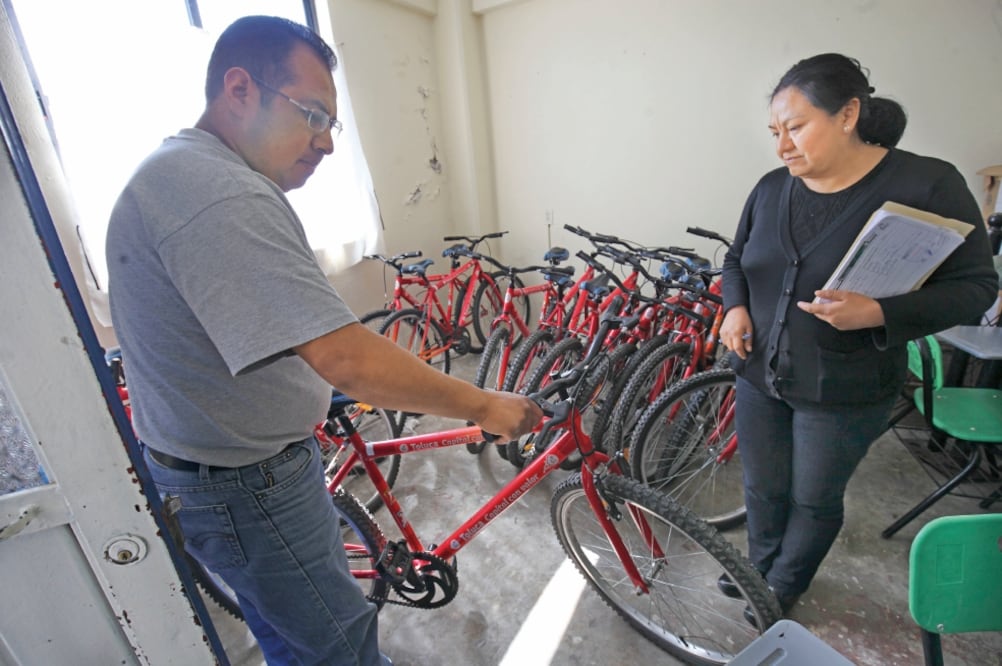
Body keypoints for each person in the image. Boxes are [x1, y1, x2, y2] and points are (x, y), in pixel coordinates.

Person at [105, 15, 541, 665]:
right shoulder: (215, 191)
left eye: (331, 124)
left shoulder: (190, 174)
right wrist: (483, 405)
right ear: (240, 89)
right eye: (312, 114)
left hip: (225, 470)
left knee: (292, 636)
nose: (327, 143)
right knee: (339, 647)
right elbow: (344, 357)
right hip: (246, 484)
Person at [717, 52, 997, 625]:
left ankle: (781, 586)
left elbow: (976, 287)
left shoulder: (927, 183)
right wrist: (734, 307)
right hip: (758, 373)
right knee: (762, 487)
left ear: (847, 114)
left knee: (812, 498)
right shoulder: (771, 189)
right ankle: (758, 567)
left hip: (847, 387)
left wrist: (880, 312)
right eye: (775, 132)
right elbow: (736, 260)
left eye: (795, 128)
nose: (782, 147)